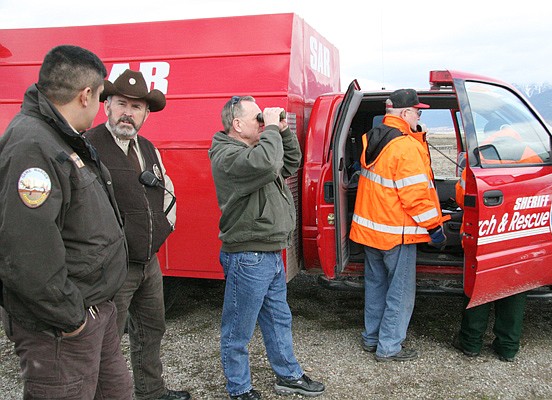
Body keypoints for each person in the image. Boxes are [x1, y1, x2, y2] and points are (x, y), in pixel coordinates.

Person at [0, 45, 133, 399]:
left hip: (94, 310)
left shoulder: (60, 137)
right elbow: (26, 252)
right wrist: (73, 319)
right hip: (62, 328)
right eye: (101, 95)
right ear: (86, 94)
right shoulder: (33, 146)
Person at [208, 96, 325, 399]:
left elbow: (288, 163)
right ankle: (238, 389)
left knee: (278, 319)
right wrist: (271, 129)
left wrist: (282, 131)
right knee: (238, 329)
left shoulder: (254, 151)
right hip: (248, 256)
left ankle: (288, 375)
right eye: (257, 117)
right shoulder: (228, 156)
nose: (262, 122)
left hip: (269, 252)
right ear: (237, 124)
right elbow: (268, 162)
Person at [85, 69, 189, 400]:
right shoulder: (89, 146)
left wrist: (162, 230)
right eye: (122, 104)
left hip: (148, 262)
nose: (128, 113)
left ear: (145, 113)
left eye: (137, 107)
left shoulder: (148, 148)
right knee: (107, 340)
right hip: (112, 267)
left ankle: (151, 392)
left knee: (151, 330)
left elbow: (166, 192)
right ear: (107, 106)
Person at [349, 89, 449, 362]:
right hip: (397, 234)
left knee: (376, 287)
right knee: (400, 293)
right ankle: (389, 347)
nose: (419, 116)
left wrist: (418, 134)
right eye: (418, 112)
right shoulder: (405, 146)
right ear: (405, 113)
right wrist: (434, 228)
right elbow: (415, 195)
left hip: (372, 232)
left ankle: (372, 339)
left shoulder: (375, 138)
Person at [451, 128, 542, 362]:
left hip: (482, 232)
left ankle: (470, 343)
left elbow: (462, 196)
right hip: (518, 233)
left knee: (479, 286)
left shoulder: (479, 157)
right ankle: (508, 347)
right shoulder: (534, 157)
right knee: (514, 289)